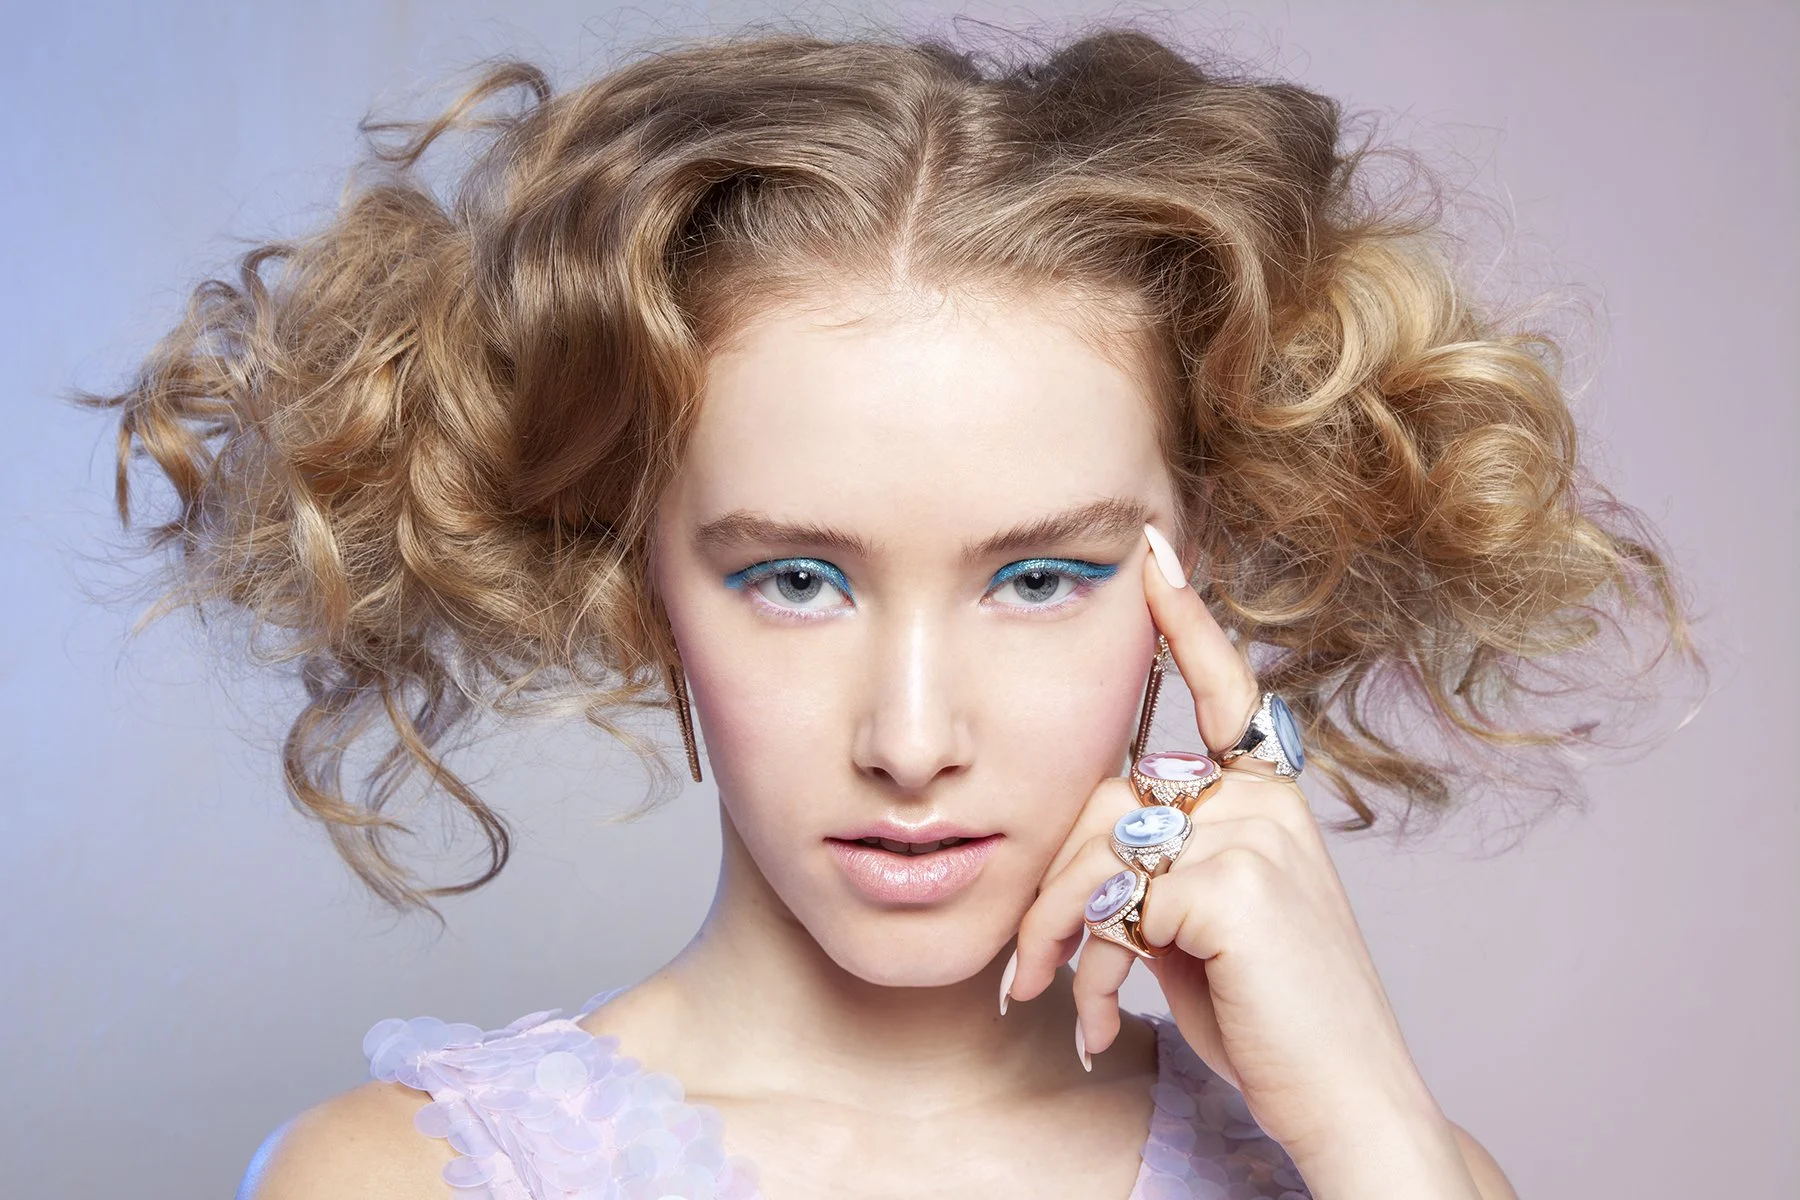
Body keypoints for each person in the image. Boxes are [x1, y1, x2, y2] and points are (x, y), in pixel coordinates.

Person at [86, 23, 1696, 1200]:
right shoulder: (408, 1184)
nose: (912, 740)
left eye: (1041, 578)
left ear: (1202, 574)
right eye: (796, 578)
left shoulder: (1388, 1170)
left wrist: (1376, 1143)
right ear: (639, 580)